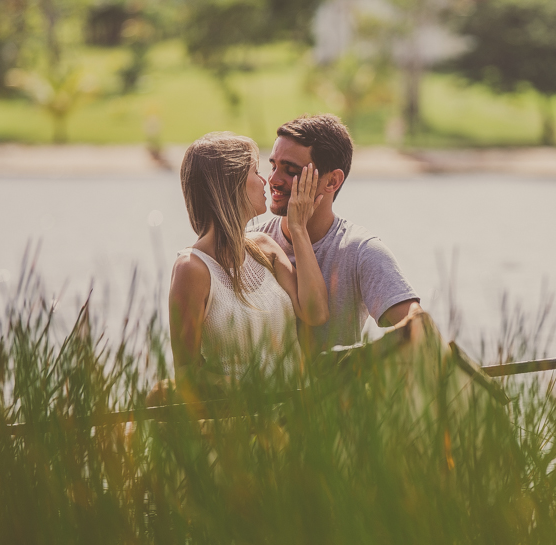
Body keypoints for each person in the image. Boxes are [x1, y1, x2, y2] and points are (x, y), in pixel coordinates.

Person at [168, 131, 329, 393]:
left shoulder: (264, 248)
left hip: (297, 413)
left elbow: (316, 312)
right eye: (256, 171)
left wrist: (298, 229)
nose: (265, 180)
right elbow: (187, 373)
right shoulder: (192, 269)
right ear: (231, 183)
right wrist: (254, 393)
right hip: (241, 420)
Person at [256, 114, 421, 351]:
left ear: (332, 181)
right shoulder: (250, 242)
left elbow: (418, 328)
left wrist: (361, 364)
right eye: (273, 166)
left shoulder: (361, 251)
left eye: (291, 171)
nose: (273, 180)